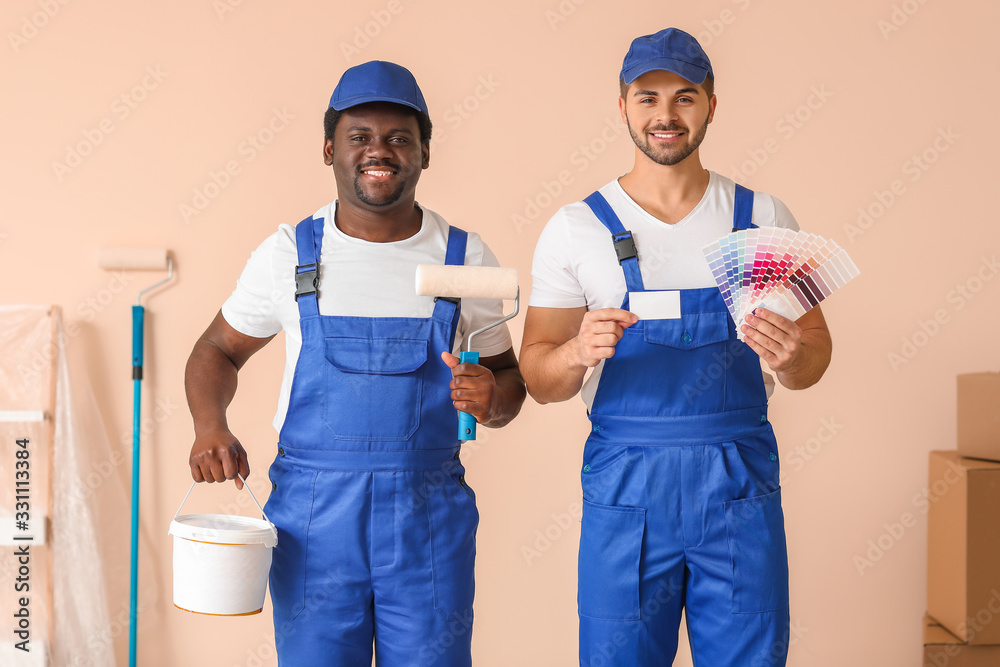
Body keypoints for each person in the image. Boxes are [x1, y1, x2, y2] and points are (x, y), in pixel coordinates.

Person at [184, 60, 525, 666]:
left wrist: (490, 398)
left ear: (424, 152)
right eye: (359, 136)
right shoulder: (289, 254)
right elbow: (215, 350)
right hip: (313, 523)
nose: (380, 151)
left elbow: (508, 386)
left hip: (427, 518)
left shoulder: (464, 256)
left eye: (399, 138)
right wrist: (210, 425)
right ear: (328, 149)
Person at [519, 28, 831, 666]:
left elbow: (817, 357)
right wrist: (577, 352)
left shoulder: (765, 216)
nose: (665, 114)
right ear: (623, 106)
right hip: (627, 484)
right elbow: (536, 376)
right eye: (648, 97)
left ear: (712, 105)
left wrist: (790, 354)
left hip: (737, 479)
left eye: (685, 98)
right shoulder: (576, 228)